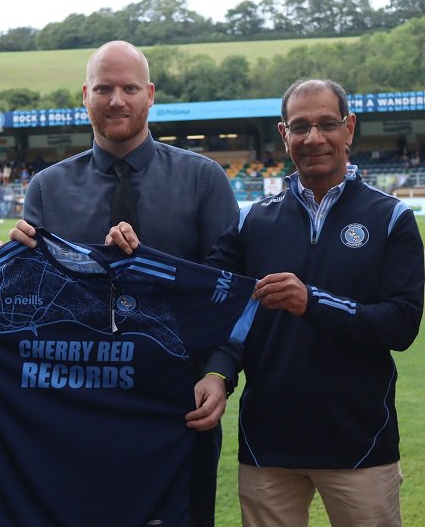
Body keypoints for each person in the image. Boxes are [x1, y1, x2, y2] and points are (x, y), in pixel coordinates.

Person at [110, 78, 424, 527]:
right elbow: (211, 295)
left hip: (360, 445)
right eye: (300, 127)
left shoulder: (390, 217)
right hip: (268, 446)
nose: (313, 138)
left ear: (349, 128)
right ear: (284, 135)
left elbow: (401, 325)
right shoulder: (253, 220)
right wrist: (136, 255)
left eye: (326, 125)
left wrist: (312, 301)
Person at [6, 40, 240, 526]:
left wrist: (219, 373)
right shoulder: (47, 188)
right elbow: (31, 303)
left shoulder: (203, 180)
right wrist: (2, 261)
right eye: (104, 88)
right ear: (84, 95)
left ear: (150, 94)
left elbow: (230, 291)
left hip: (177, 406)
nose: (117, 100)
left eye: (129, 88)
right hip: (77, 412)